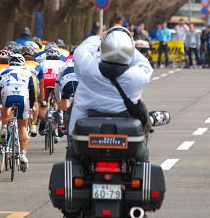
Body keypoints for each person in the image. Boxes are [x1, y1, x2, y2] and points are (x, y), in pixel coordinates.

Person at [68, 26, 153, 161]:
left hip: (83, 129)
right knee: (142, 157)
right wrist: (126, 43)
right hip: (127, 131)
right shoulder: (137, 76)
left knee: (73, 157)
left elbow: (81, 51)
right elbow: (143, 62)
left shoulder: (88, 68)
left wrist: (99, 37)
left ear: (104, 48)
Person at [0, 52, 35, 172]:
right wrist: (31, 106)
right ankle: (23, 154)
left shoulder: (3, 71)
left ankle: (4, 127)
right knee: (22, 126)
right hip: (23, 97)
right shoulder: (27, 72)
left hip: (8, 94)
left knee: (6, 106)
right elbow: (31, 92)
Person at [38, 42, 65, 135]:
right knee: (59, 101)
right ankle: (60, 125)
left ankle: (42, 119)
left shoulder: (41, 63)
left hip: (45, 81)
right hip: (56, 81)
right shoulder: (62, 63)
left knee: (42, 102)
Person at [22, 41, 44, 137]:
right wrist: (42, 100)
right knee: (34, 99)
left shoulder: (20, 63)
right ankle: (33, 125)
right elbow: (42, 87)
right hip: (34, 84)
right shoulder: (38, 65)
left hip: (22, 83)